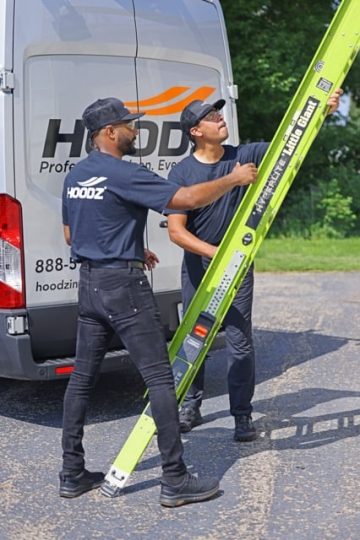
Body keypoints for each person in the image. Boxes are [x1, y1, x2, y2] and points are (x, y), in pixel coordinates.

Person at [59, 97, 258, 507]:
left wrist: (127, 247)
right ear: (109, 133)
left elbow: (70, 234)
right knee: (161, 379)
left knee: (81, 379)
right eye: (129, 125)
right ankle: (175, 479)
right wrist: (233, 180)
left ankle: (72, 473)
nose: (136, 130)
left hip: (90, 285)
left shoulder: (76, 175)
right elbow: (184, 200)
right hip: (124, 290)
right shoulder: (124, 173)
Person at [167, 89, 343, 441]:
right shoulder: (182, 172)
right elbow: (176, 232)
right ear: (195, 132)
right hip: (198, 268)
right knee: (193, 339)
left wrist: (323, 114)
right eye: (211, 116)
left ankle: (242, 415)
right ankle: (190, 406)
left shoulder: (244, 155)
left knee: (239, 340)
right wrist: (211, 251)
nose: (220, 118)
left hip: (238, 267)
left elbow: (293, 143)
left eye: (219, 113)